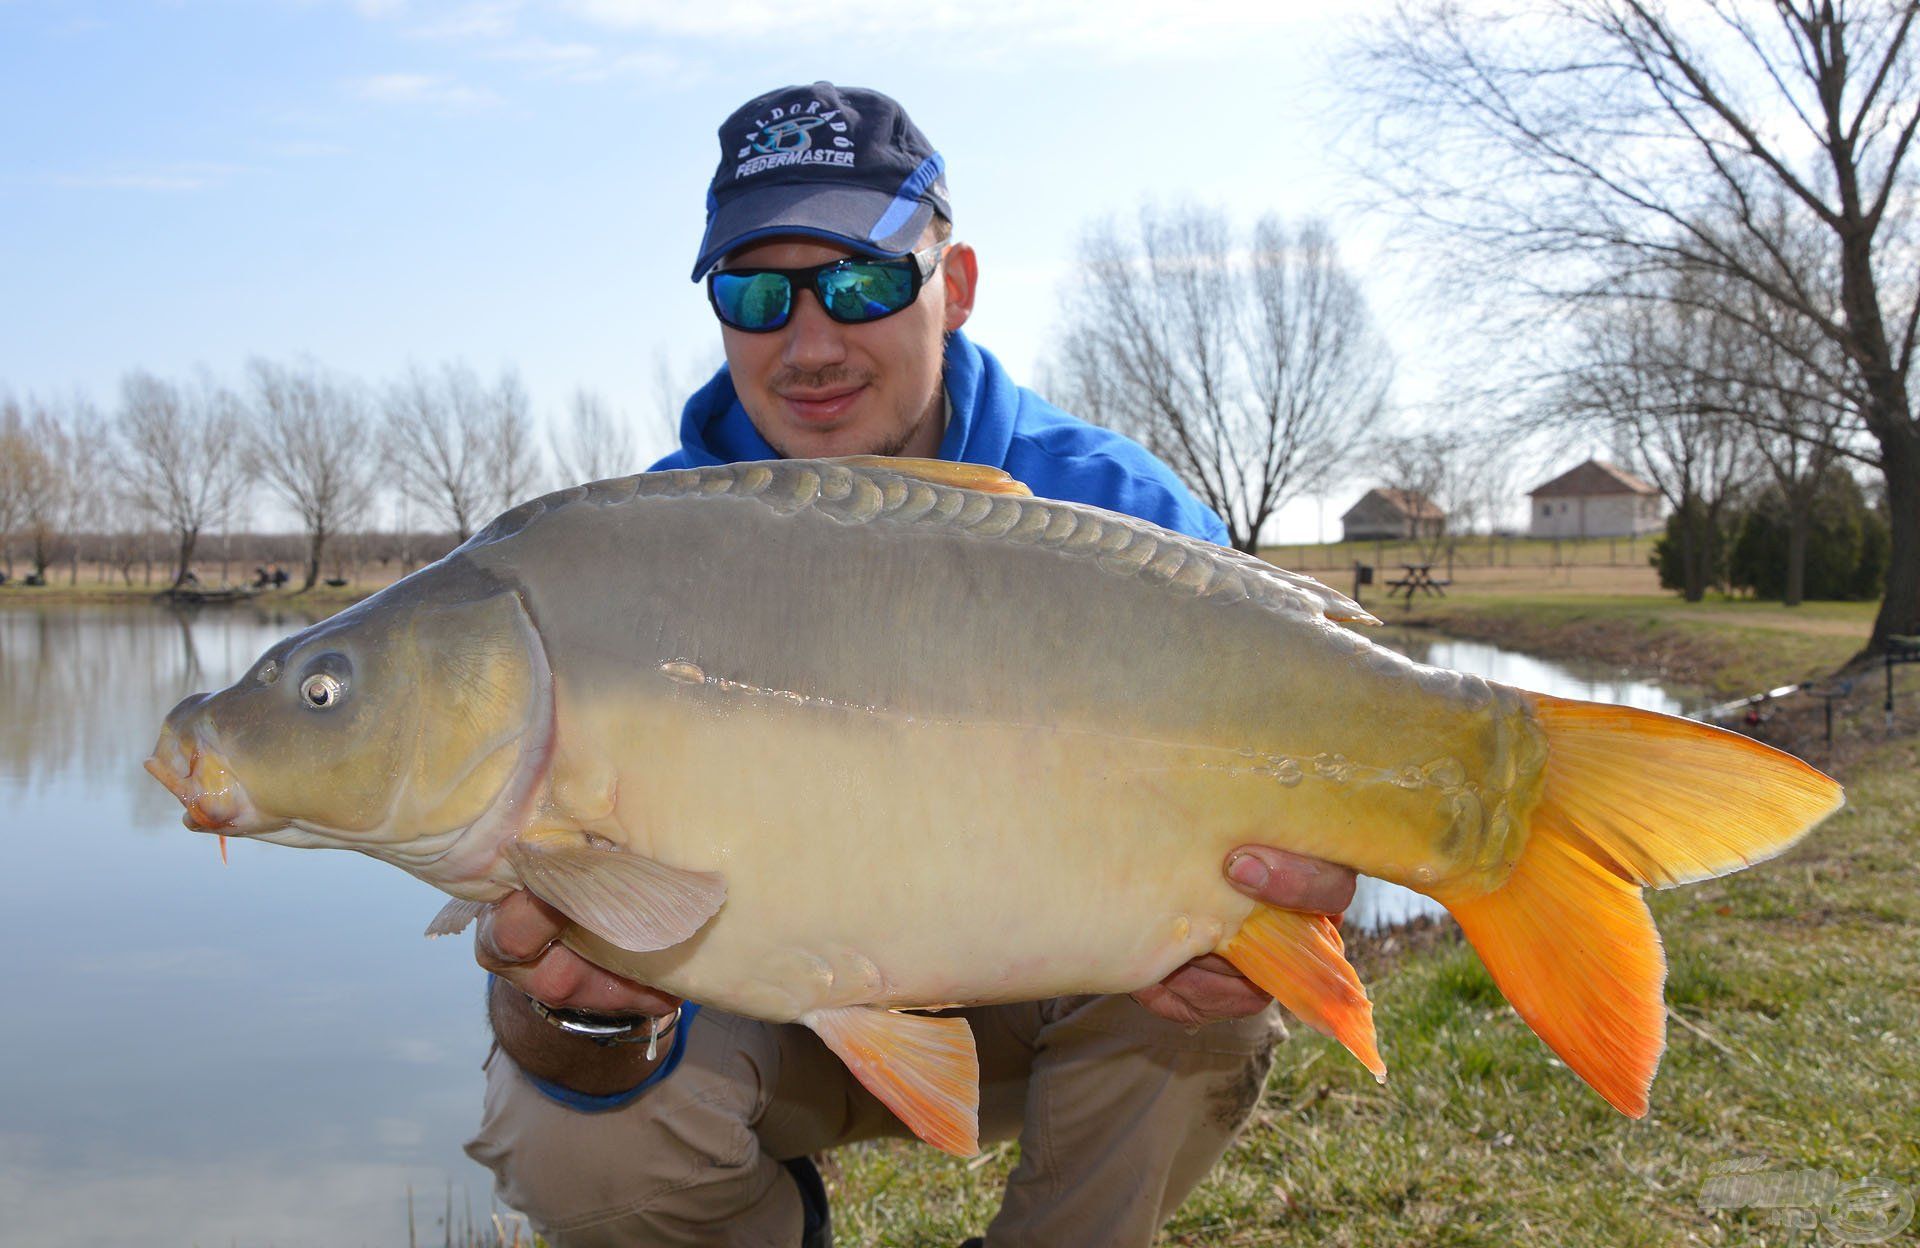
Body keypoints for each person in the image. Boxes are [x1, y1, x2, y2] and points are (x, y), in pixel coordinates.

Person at [466, 82, 1358, 1248]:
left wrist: (1301, 897)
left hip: (1075, 1006)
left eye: (864, 280)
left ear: (959, 287)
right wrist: (573, 1015)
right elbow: (544, 956)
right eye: (756, 292)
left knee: (1214, 1019)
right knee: (565, 1130)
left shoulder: (1118, 518)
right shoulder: (629, 562)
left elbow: (1307, 810)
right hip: (763, 1010)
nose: (813, 340)